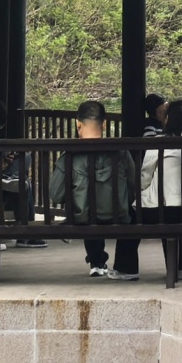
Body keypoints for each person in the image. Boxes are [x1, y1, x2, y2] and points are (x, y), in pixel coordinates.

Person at [55, 99, 139, 280]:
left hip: (83, 219)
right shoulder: (121, 153)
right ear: (105, 124)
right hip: (119, 215)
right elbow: (134, 185)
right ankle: (125, 266)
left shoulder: (69, 156)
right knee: (133, 215)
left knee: (86, 208)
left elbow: (56, 193)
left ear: (78, 123)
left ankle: (96, 262)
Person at [138, 97, 182, 280]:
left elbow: (144, 178)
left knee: (132, 213)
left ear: (167, 119)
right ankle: (181, 268)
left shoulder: (157, 143)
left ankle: (125, 268)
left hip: (163, 209)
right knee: (171, 219)